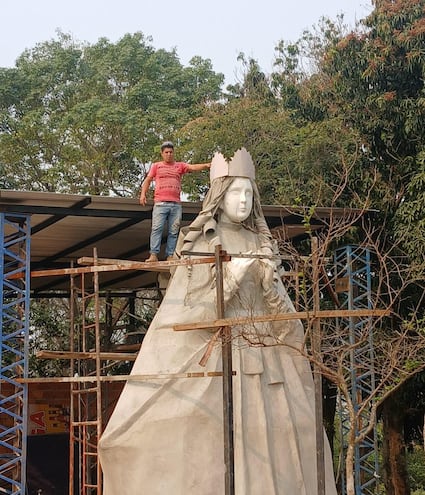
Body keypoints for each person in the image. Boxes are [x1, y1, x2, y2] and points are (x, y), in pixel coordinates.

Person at [99, 148, 338, 494]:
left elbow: (286, 322)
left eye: (248, 193)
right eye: (235, 192)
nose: (242, 200)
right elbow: (187, 312)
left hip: (268, 358)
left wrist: (270, 284)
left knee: (294, 429)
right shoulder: (198, 241)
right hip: (217, 356)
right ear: (219, 195)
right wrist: (231, 279)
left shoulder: (263, 242)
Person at [139, 141, 210, 262]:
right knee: (157, 229)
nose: (169, 154)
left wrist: (207, 165)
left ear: (174, 153)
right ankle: (153, 255)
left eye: (171, 152)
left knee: (174, 231)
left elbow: (192, 167)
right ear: (162, 153)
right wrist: (143, 194)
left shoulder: (179, 166)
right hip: (160, 203)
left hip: (176, 204)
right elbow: (148, 180)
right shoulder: (156, 166)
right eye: (166, 152)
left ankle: (170, 255)